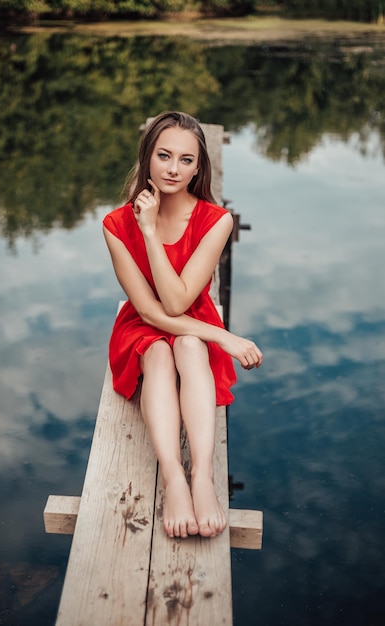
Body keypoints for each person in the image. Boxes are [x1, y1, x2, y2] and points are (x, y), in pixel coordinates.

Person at [102, 111, 263, 540]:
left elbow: (180, 302)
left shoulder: (216, 220)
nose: (174, 169)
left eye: (186, 160)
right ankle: (174, 477)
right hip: (142, 324)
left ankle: (202, 477)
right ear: (147, 157)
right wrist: (149, 232)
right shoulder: (117, 224)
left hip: (192, 320)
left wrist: (204, 334)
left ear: (199, 167)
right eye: (164, 155)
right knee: (158, 353)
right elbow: (156, 311)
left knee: (188, 347)